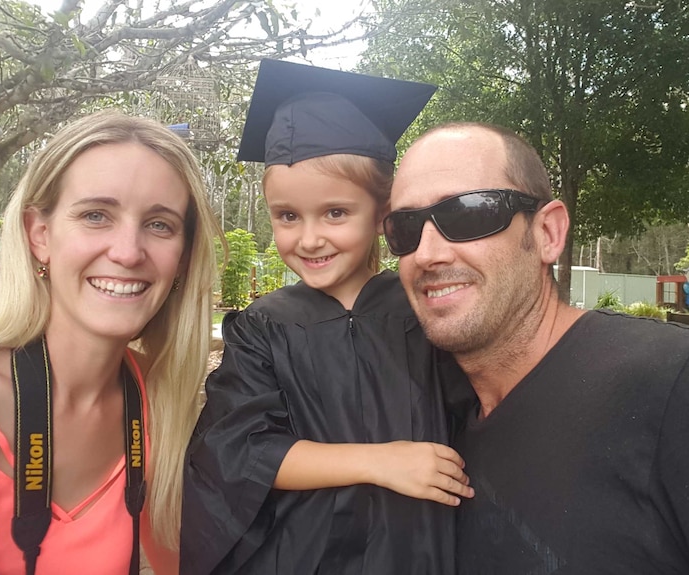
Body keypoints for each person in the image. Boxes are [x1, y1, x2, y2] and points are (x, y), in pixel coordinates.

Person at [385, 121, 689, 574]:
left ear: (548, 233)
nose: (428, 253)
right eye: (405, 228)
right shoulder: (432, 418)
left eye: (468, 213)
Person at [182, 59, 473, 575]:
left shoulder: (426, 310)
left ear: (384, 213)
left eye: (335, 213)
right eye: (288, 216)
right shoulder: (264, 327)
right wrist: (379, 461)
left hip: (423, 552)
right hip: (301, 555)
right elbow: (241, 450)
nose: (309, 238)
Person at [0, 110, 222, 575]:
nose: (128, 251)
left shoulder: (155, 402)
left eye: (159, 224)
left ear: (182, 258)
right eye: (96, 215)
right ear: (40, 234)